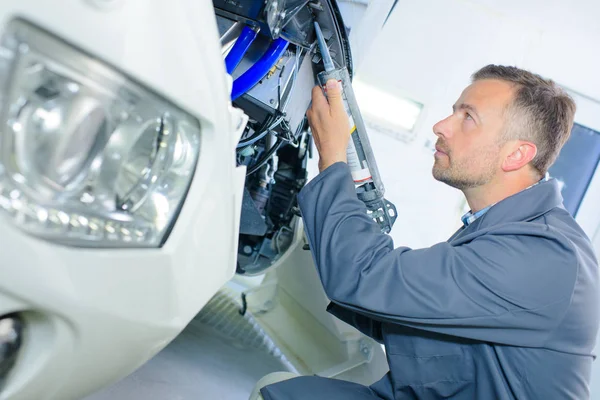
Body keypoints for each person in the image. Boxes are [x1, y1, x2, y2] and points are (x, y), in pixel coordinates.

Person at [256, 65, 600, 399]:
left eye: (468, 118)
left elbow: (367, 276)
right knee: (280, 389)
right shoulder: (503, 230)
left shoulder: (545, 255)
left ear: (516, 154)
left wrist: (334, 159)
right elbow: (405, 311)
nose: (441, 126)